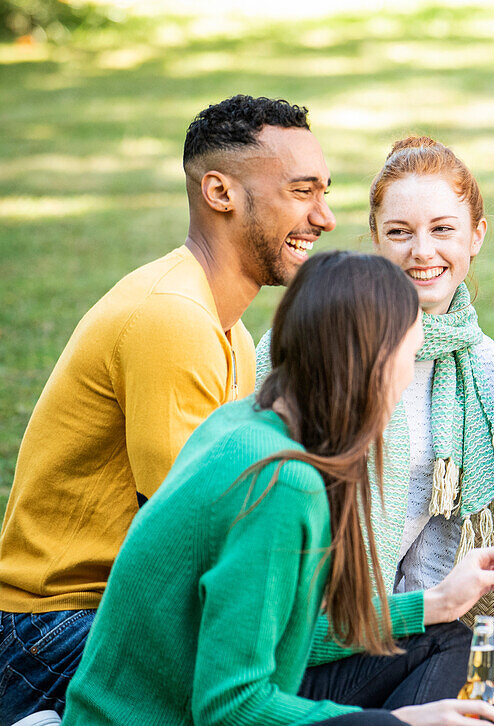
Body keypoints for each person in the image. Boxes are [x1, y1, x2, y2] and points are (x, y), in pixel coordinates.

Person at [62, 251, 494, 726]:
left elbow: (288, 633)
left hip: (164, 700)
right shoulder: (280, 484)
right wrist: (400, 723)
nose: (409, 377)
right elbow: (230, 708)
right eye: (409, 357)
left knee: (443, 635)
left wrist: (436, 602)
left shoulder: (246, 421)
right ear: (369, 368)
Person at [0, 94, 335, 724]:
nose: (326, 216)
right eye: (302, 190)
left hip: (108, 612)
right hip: (60, 629)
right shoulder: (172, 320)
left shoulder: (225, 330)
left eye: (325, 191)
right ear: (220, 192)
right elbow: (200, 534)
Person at [256, 136, 494, 596]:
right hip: (292, 598)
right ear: (375, 237)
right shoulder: (315, 334)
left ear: (476, 235)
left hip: (389, 612)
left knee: (457, 656)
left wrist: (412, 624)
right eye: (399, 232)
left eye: (442, 230)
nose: (422, 251)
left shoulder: (481, 366)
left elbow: (441, 532)